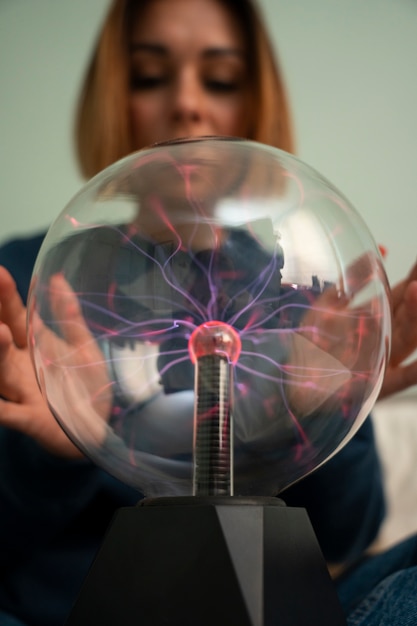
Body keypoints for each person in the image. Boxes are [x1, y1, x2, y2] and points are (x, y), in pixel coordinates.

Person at [0, 1, 417, 624]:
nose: (187, 104)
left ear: (253, 103)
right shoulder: (32, 279)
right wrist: (57, 455)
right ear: (113, 98)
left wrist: (318, 403)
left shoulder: (299, 296)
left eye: (219, 80)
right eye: (148, 75)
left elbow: (343, 539)